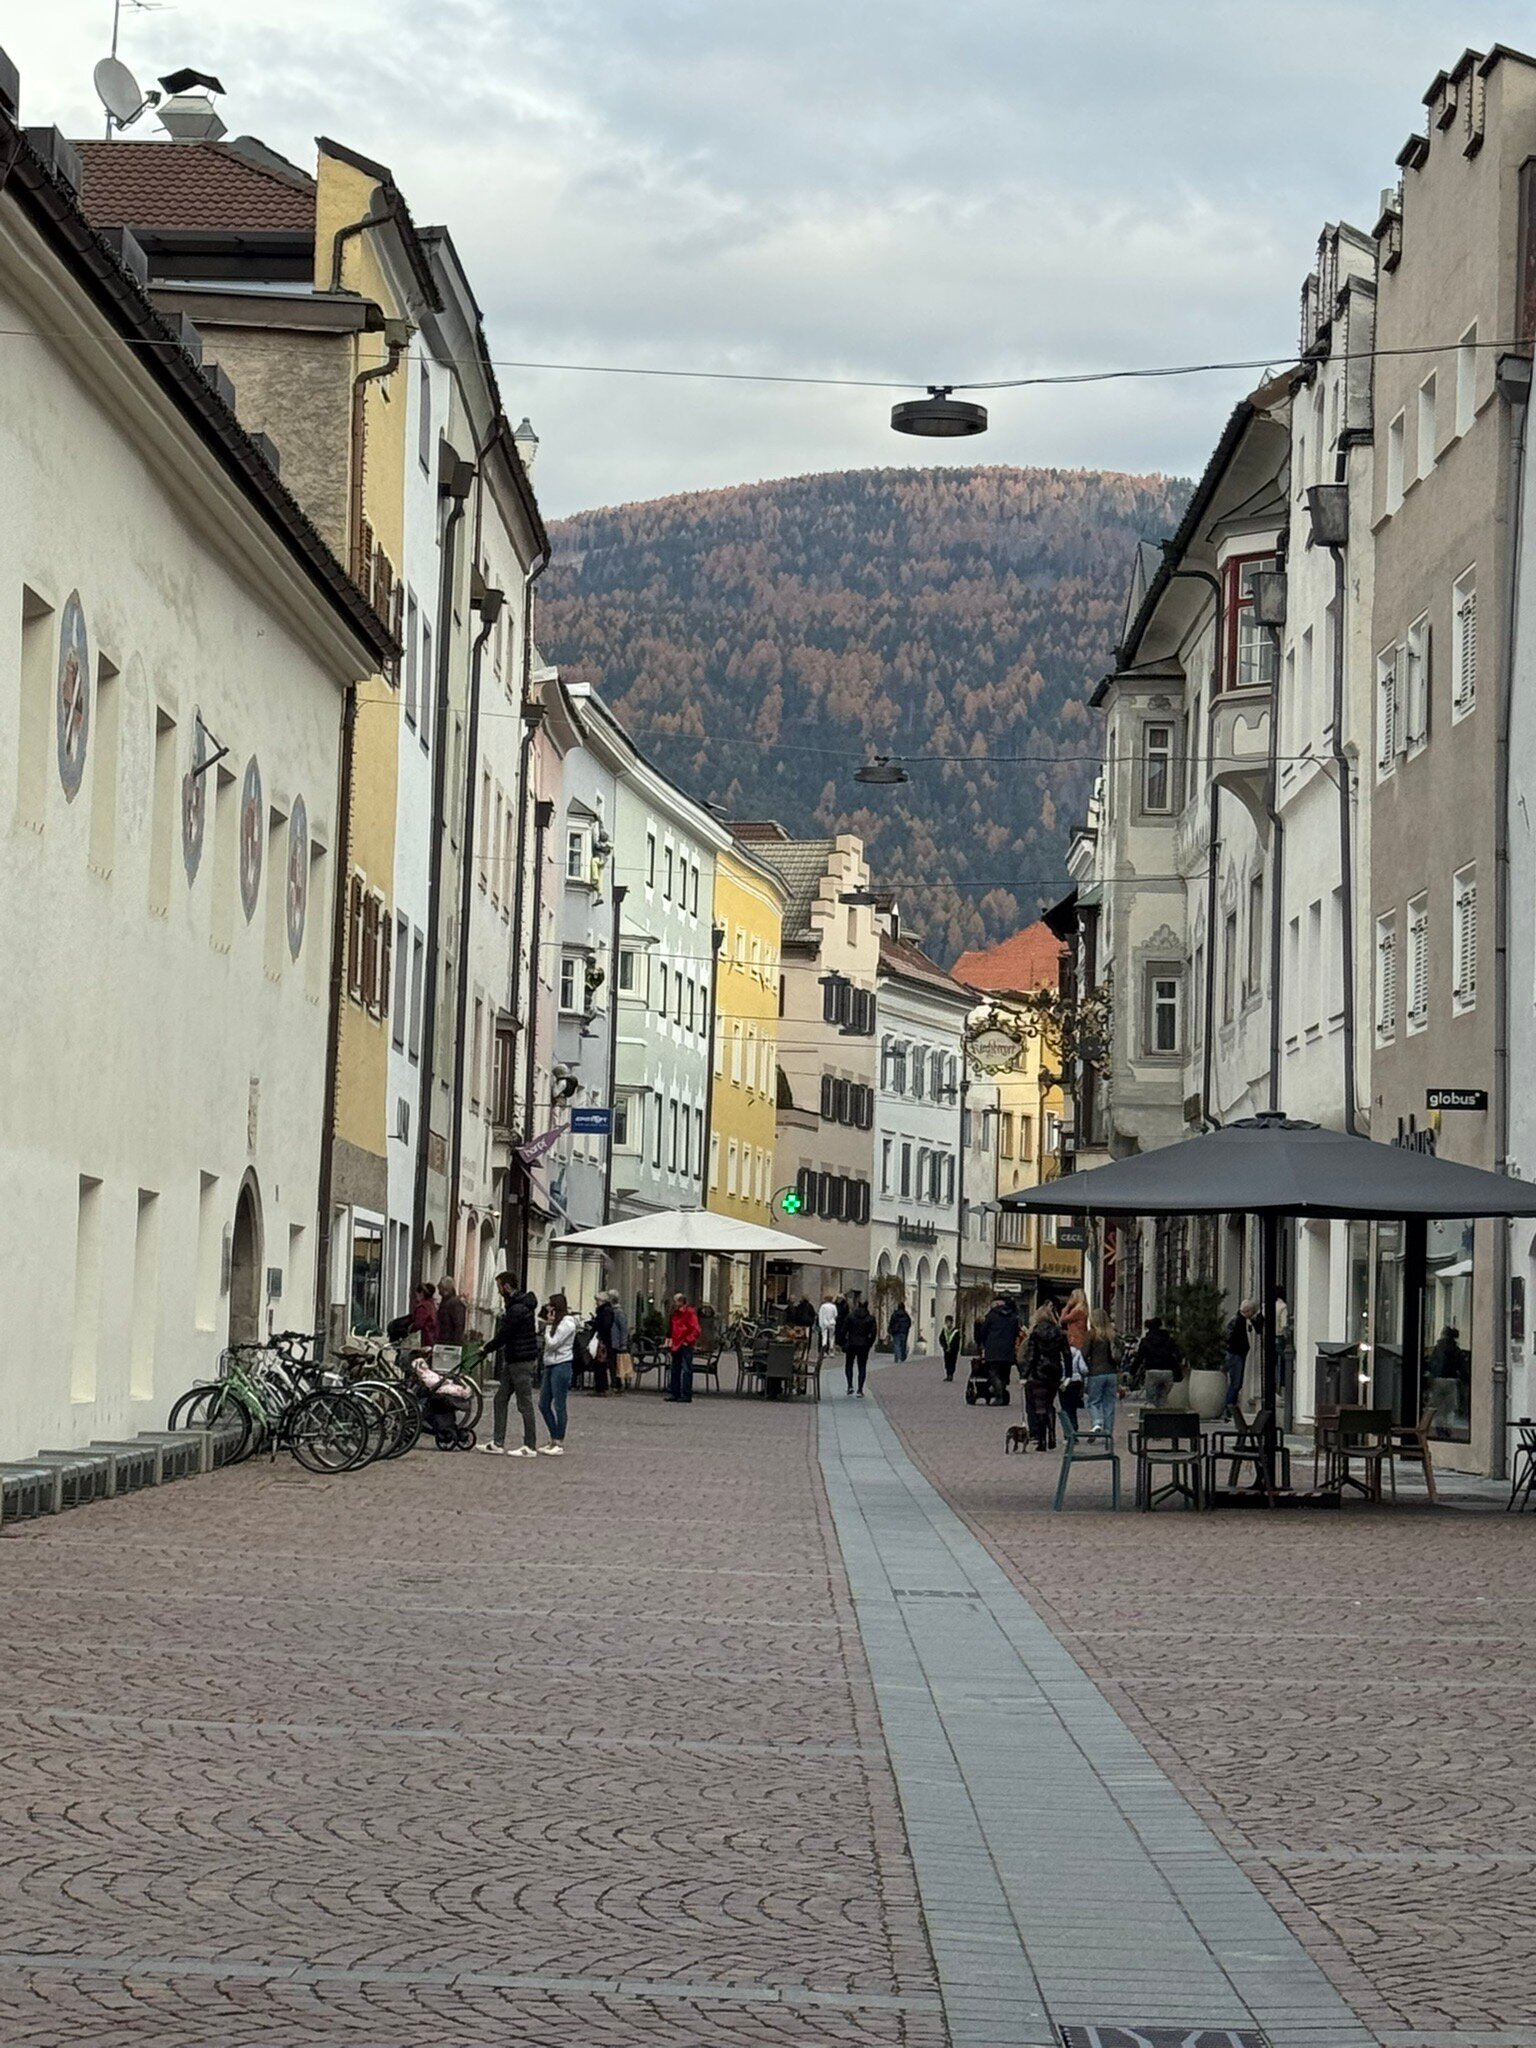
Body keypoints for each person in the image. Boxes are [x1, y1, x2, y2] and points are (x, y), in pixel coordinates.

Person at [478, 1273, 540, 1456]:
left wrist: (486, 1348)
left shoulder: (517, 1309)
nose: (498, 1291)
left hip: (520, 1360)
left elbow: (505, 1334)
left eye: (499, 1286)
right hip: (514, 1359)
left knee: (524, 1403)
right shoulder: (518, 1305)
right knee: (500, 1398)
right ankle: (498, 1442)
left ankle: (530, 1445)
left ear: (506, 1287)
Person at [1021, 1307, 1069, 1451]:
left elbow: (1031, 1356)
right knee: (1050, 1404)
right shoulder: (1059, 1333)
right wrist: (1068, 1374)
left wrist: (1024, 1375)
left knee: (1040, 1407)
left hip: (1038, 1373)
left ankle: (1042, 1441)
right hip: (1054, 1372)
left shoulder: (1035, 1334)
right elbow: (1067, 1354)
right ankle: (1052, 1435)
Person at [538, 1293, 577, 1453]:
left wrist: (548, 1326)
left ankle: (559, 1441)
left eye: (551, 1307)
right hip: (550, 1364)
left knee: (559, 1404)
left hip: (562, 1365)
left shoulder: (567, 1324)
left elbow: (553, 1343)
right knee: (543, 1403)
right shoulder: (557, 1323)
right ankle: (553, 1437)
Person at [978, 1292, 1021, 1405]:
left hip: (993, 1350)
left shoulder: (992, 1315)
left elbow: (983, 1331)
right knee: (1004, 1373)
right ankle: (1002, 1393)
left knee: (993, 1372)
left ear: (997, 1303)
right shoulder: (1013, 1316)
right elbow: (1017, 1332)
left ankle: (999, 1395)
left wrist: (982, 1343)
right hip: (1008, 1350)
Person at [1131, 1316, 1183, 1409]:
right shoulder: (1169, 1339)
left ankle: (1152, 1418)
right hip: (1168, 1371)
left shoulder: (1145, 1341)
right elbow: (1177, 1354)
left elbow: (1139, 1358)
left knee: (1151, 1401)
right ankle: (1162, 1418)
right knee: (1163, 1398)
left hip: (1152, 1371)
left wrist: (1132, 1372)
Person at [1083, 1307, 1119, 1436]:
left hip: (1096, 1372)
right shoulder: (1112, 1334)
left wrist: (1087, 1367)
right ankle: (1108, 1431)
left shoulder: (1092, 1334)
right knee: (1109, 1403)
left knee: (1094, 1401)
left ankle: (1097, 1422)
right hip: (1112, 1373)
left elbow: (1084, 1354)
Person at [1223, 1300, 1257, 1421]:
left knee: (1236, 1383)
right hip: (1236, 1354)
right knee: (1236, 1383)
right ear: (1247, 1311)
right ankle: (1229, 1408)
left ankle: (1230, 1408)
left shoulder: (1240, 1320)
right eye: (1252, 1311)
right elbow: (1230, 1338)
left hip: (1237, 1354)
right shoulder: (1238, 1321)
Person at [666, 1292, 701, 1403]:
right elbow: (673, 1328)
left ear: (681, 1302)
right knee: (675, 1368)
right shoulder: (675, 1313)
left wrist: (688, 1341)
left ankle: (686, 1394)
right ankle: (674, 1392)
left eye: (675, 1301)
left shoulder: (689, 1313)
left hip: (685, 1344)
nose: (674, 1303)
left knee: (686, 1369)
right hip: (676, 1344)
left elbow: (696, 1329)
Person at [844, 1297, 876, 1395]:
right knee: (862, 1366)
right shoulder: (870, 1319)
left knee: (849, 1364)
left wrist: (843, 1342)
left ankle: (850, 1385)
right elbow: (874, 1333)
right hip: (864, 1345)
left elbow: (843, 1330)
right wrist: (869, 1344)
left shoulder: (850, 1317)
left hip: (851, 1344)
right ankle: (860, 1389)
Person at [606, 1291, 634, 1390]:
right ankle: (616, 1383)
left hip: (616, 1342)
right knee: (614, 1364)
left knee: (616, 1364)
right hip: (614, 1341)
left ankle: (616, 1384)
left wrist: (623, 1343)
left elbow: (623, 1328)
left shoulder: (618, 1312)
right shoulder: (613, 1311)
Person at [592, 1293, 617, 1396]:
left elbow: (605, 1325)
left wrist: (596, 1325)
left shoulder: (606, 1311)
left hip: (603, 1340)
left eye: (597, 1300)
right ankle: (601, 1387)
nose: (596, 1303)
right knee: (600, 1364)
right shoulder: (606, 1310)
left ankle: (602, 1387)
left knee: (601, 1363)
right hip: (603, 1339)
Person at [436, 1275, 466, 1354]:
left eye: (440, 1288)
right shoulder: (446, 1301)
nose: (438, 1291)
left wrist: (455, 1346)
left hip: (450, 1344)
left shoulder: (454, 1303)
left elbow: (459, 1325)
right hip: (444, 1342)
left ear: (445, 1288)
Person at [409, 1281, 438, 1350]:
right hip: (433, 1337)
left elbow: (418, 1324)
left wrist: (410, 1329)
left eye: (416, 1295)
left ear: (421, 1293)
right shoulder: (431, 1304)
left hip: (426, 1338)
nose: (416, 1298)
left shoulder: (422, 1307)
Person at [1061, 1288, 1090, 1358]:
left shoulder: (1077, 1311)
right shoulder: (1082, 1310)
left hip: (1075, 1342)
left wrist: (1067, 1306)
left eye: (1072, 1296)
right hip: (1079, 1340)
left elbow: (1063, 1319)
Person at [939, 1315, 963, 1383]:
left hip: (953, 1351)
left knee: (952, 1362)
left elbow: (957, 1341)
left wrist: (952, 1348)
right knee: (947, 1362)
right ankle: (947, 1374)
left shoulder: (956, 1331)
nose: (948, 1323)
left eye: (949, 1322)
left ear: (952, 1322)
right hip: (946, 1350)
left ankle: (951, 1374)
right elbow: (941, 1339)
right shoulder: (944, 1330)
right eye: (947, 1322)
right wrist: (944, 1346)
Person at [888, 1299, 913, 1364]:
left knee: (897, 1344)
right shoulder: (906, 1315)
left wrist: (891, 1329)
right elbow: (909, 1323)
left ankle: (898, 1358)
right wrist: (906, 1329)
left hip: (896, 1332)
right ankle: (901, 1357)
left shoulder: (894, 1315)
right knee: (903, 1345)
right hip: (904, 1332)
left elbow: (891, 1323)